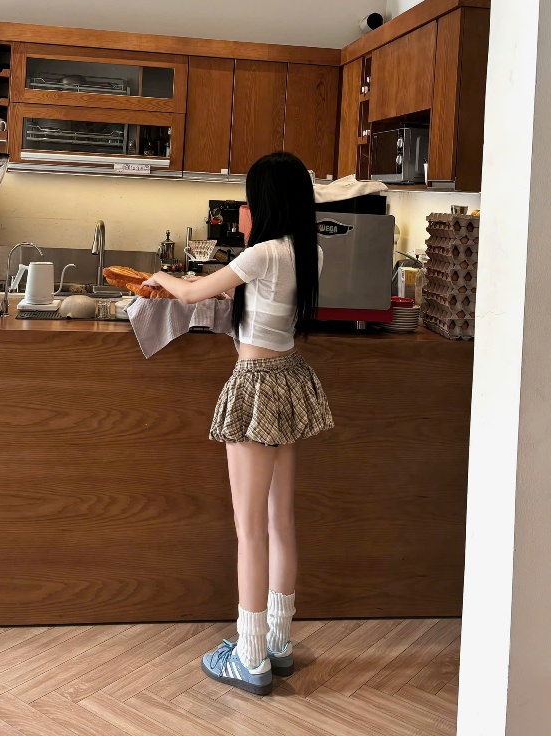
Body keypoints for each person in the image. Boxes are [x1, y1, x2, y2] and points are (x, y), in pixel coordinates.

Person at [140, 150, 334, 697]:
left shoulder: (261, 253)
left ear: (265, 203)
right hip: (290, 379)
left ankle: (249, 657)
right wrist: (231, 286)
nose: (244, 210)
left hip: (254, 387)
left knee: (249, 529)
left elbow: (191, 292)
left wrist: (162, 277)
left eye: (250, 200)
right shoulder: (309, 252)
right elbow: (269, 300)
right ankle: (278, 643)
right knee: (281, 523)